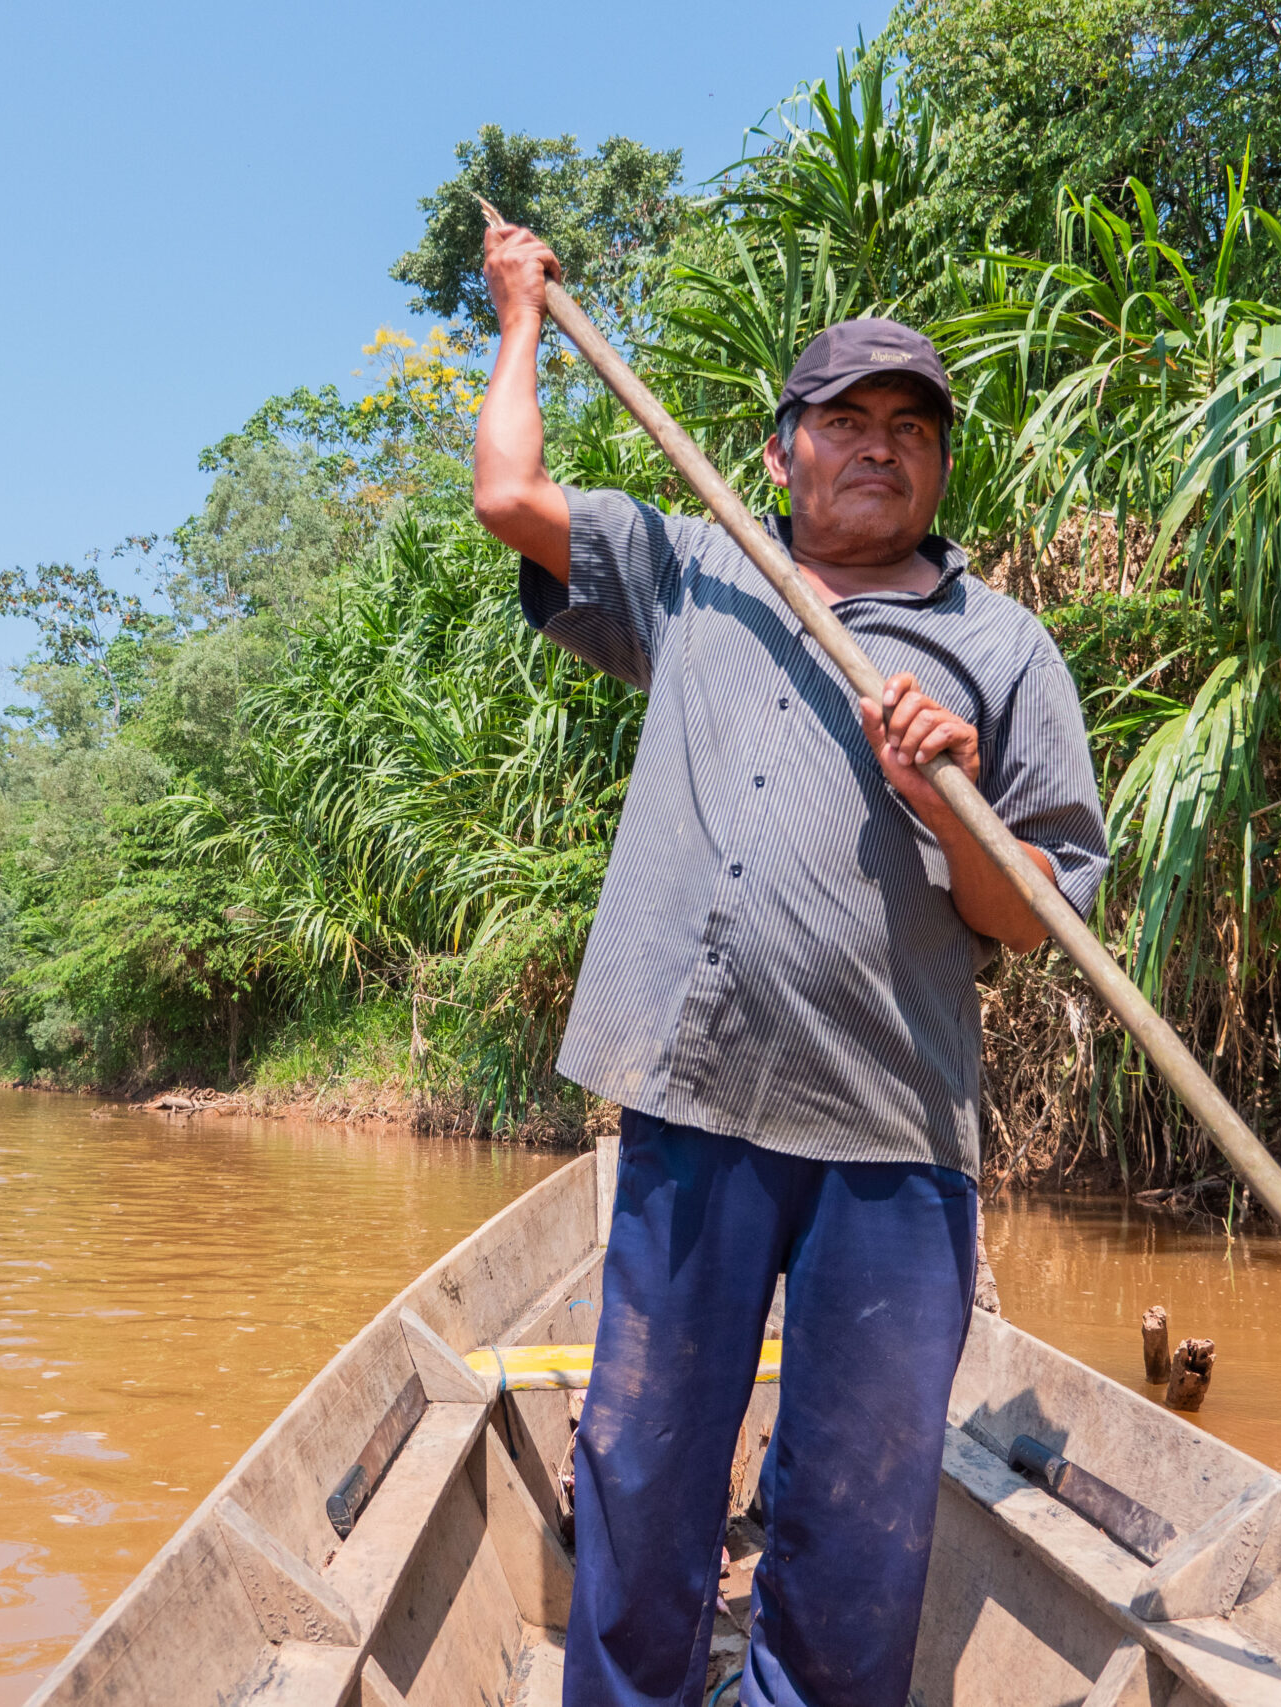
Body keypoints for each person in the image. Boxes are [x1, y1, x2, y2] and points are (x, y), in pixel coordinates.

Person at [470, 221, 1111, 1707]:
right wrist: (518, 314)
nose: (878, 449)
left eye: (910, 430)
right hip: (694, 1109)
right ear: (782, 455)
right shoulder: (699, 570)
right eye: (845, 422)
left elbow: (1038, 918)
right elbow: (509, 492)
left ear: (941, 471)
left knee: (860, 1511)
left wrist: (947, 799)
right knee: (641, 1466)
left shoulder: (1001, 653)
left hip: (891, 1138)